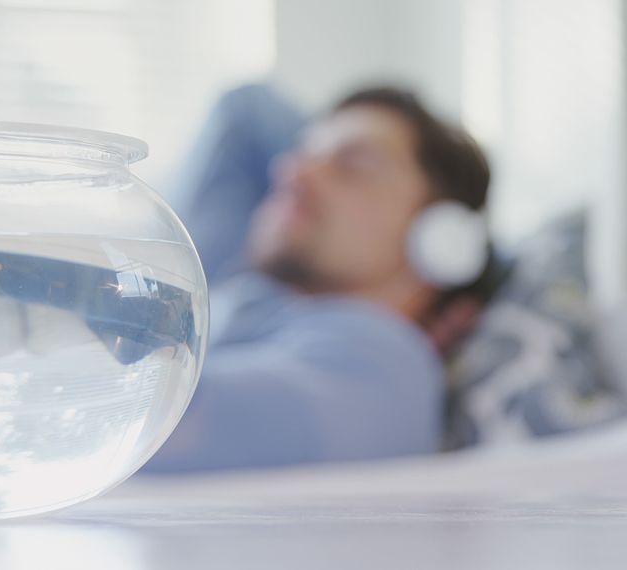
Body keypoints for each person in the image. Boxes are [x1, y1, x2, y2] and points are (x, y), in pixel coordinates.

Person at [144, 85, 494, 472]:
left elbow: (160, 416)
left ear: (443, 240)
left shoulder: (390, 363)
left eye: (354, 167)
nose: (290, 170)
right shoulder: (240, 292)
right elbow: (244, 107)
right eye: (302, 151)